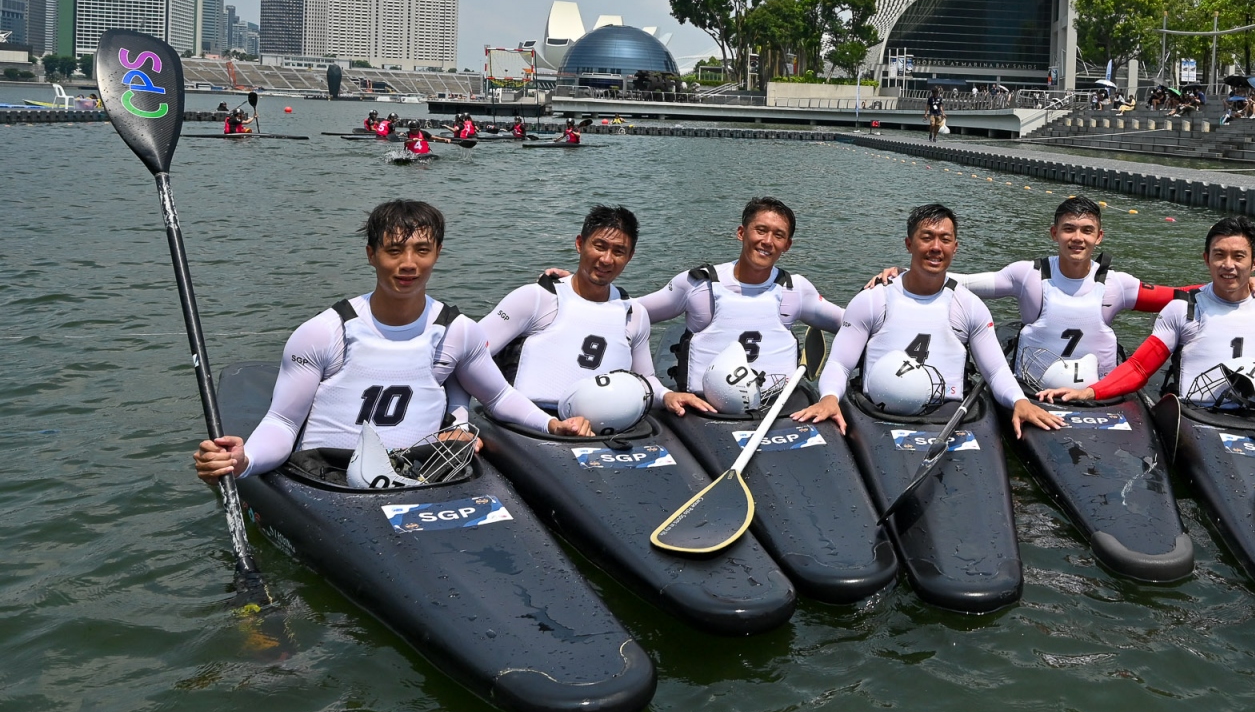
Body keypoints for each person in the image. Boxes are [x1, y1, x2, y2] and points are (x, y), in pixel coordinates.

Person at [192, 200, 592, 486]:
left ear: (437, 254)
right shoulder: (324, 332)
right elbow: (282, 423)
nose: (408, 264)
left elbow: (501, 397)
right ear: (371, 254)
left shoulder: (457, 330)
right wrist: (245, 461)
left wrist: (554, 425)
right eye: (393, 250)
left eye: (422, 250)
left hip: (419, 472)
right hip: (326, 475)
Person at [932, 196, 1255, 389]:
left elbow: (1177, 295)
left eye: (1087, 231)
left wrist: (1243, 284)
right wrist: (904, 275)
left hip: (1097, 392)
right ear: (1054, 233)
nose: (1077, 238)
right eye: (1069, 229)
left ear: (1099, 237)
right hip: (1033, 388)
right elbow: (965, 282)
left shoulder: (1116, 284)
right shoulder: (1027, 275)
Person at [793, 204, 1062, 438]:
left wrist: (1018, 401)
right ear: (909, 244)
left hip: (948, 414)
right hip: (877, 412)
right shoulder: (873, 300)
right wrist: (829, 398)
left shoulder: (969, 306)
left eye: (945, 239)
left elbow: (995, 371)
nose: (936, 247)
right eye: (927, 238)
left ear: (955, 248)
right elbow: (840, 363)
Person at [1037, 216, 1255, 408]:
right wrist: (1089, 392)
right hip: (1198, 416)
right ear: (1206, 259)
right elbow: (1139, 367)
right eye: (1219, 255)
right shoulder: (1183, 309)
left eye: (1238, 257)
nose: (1228, 265)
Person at [637, 198, 847, 415]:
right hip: (704, 408)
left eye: (778, 235)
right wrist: (659, 391)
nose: (767, 241)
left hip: (779, 408)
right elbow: (629, 315)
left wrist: (882, 286)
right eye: (761, 230)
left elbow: (854, 324)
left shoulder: (795, 290)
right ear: (741, 233)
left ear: (787, 245)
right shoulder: (698, 285)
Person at [478, 205, 658, 409]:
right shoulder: (536, 298)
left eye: (618, 251)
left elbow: (646, 380)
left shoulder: (635, 314)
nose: (607, 259)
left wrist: (667, 396)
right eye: (599, 246)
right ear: (580, 244)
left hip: (605, 427)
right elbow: (470, 353)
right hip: (528, 424)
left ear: (630, 256)